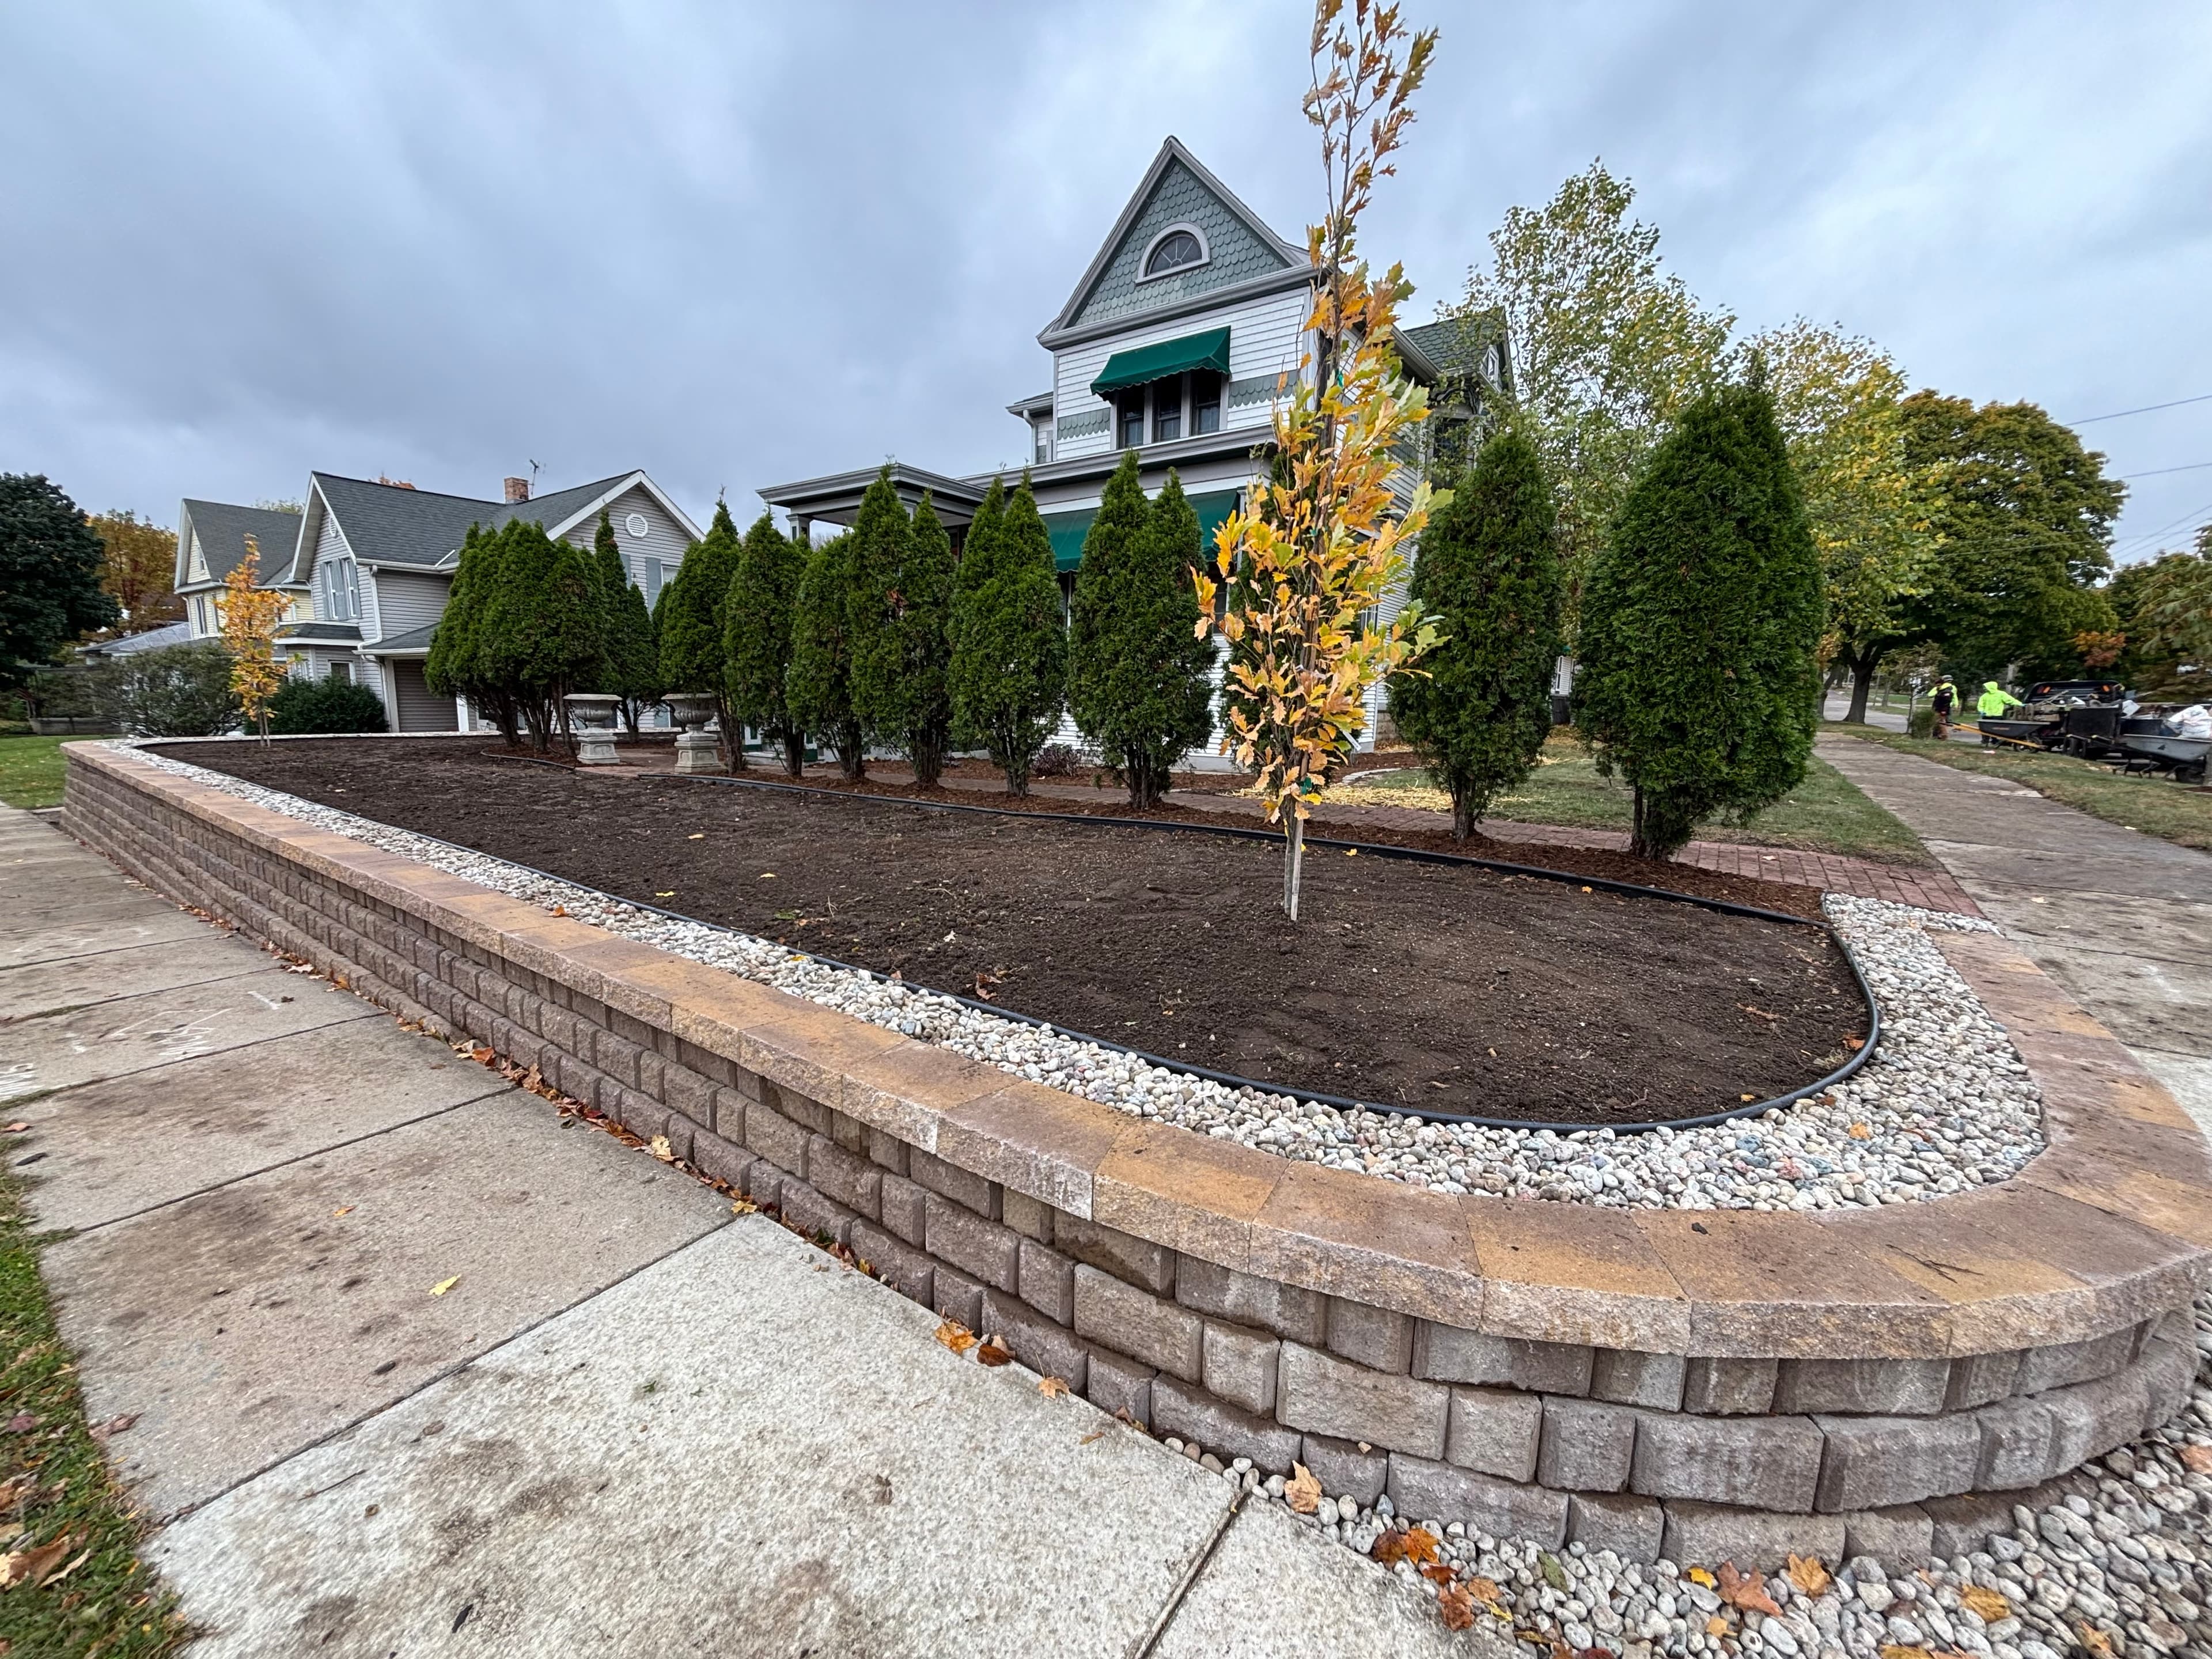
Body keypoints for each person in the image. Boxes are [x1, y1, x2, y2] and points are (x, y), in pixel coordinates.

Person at [1976, 680, 2022, 745]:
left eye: (1986, 687)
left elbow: (2011, 700)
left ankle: (1994, 741)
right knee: (1985, 730)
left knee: (1995, 729)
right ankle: (1985, 740)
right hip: (1986, 715)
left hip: (1997, 715)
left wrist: (2020, 704)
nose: (1985, 689)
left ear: (1991, 687)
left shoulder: (2001, 694)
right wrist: (1981, 711)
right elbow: (1981, 705)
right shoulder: (1985, 696)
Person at [1930, 676, 1959, 740]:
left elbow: (1930, 695)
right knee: (1941, 721)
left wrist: (1944, 710)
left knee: (1941, 722)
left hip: (1942, 708)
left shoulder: (1944, 689)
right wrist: (1956, 704)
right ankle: (1939, 735)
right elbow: (1954, 697)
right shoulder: (1948, 688)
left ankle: (1944, 735)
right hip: (1943, 707)